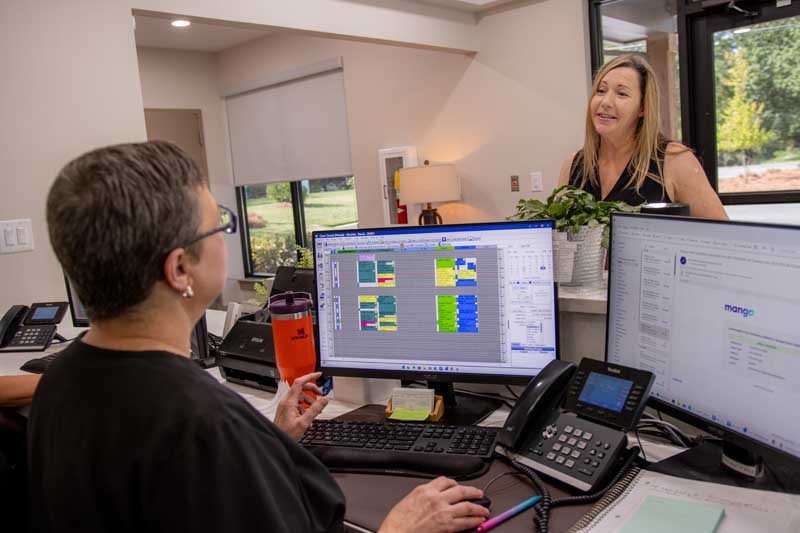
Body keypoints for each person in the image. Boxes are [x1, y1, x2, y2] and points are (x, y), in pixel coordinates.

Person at [28, 141, 489, 533]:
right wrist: (402, 527)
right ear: (180, 269)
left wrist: (269, 441)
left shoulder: (60, 381)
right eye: (219, 225)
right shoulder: (206, 424)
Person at [558, 54, 728, 220]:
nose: (606, 102)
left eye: (621, 94)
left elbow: (721, 234)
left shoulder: (674, 160)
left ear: (643, 108)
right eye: (601, 91)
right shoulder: (573, 165)